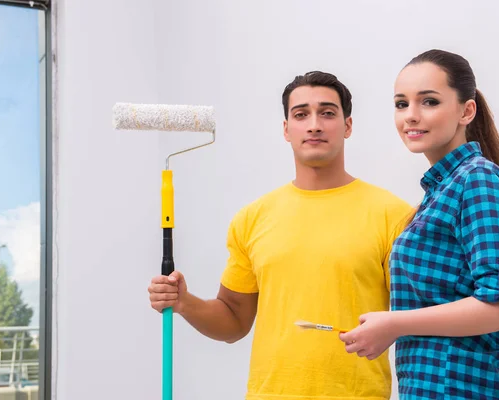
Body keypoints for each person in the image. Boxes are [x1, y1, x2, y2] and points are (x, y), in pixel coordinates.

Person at [148, 70, 413, 399]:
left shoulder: (395, 216)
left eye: (327, 113)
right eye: (301, 114)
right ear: (287, 129)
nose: (314, 124)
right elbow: (234, 320)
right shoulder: (252, 218)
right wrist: (184, 302)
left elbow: (414, 320)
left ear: (347, 125)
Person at [339, 49, 499, 399]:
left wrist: (395, 324)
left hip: (468, 388)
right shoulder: (441, 191)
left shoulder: (478, 180)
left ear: (467, 110)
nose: (411, 116)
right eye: (401, 104)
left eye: (428, 102)